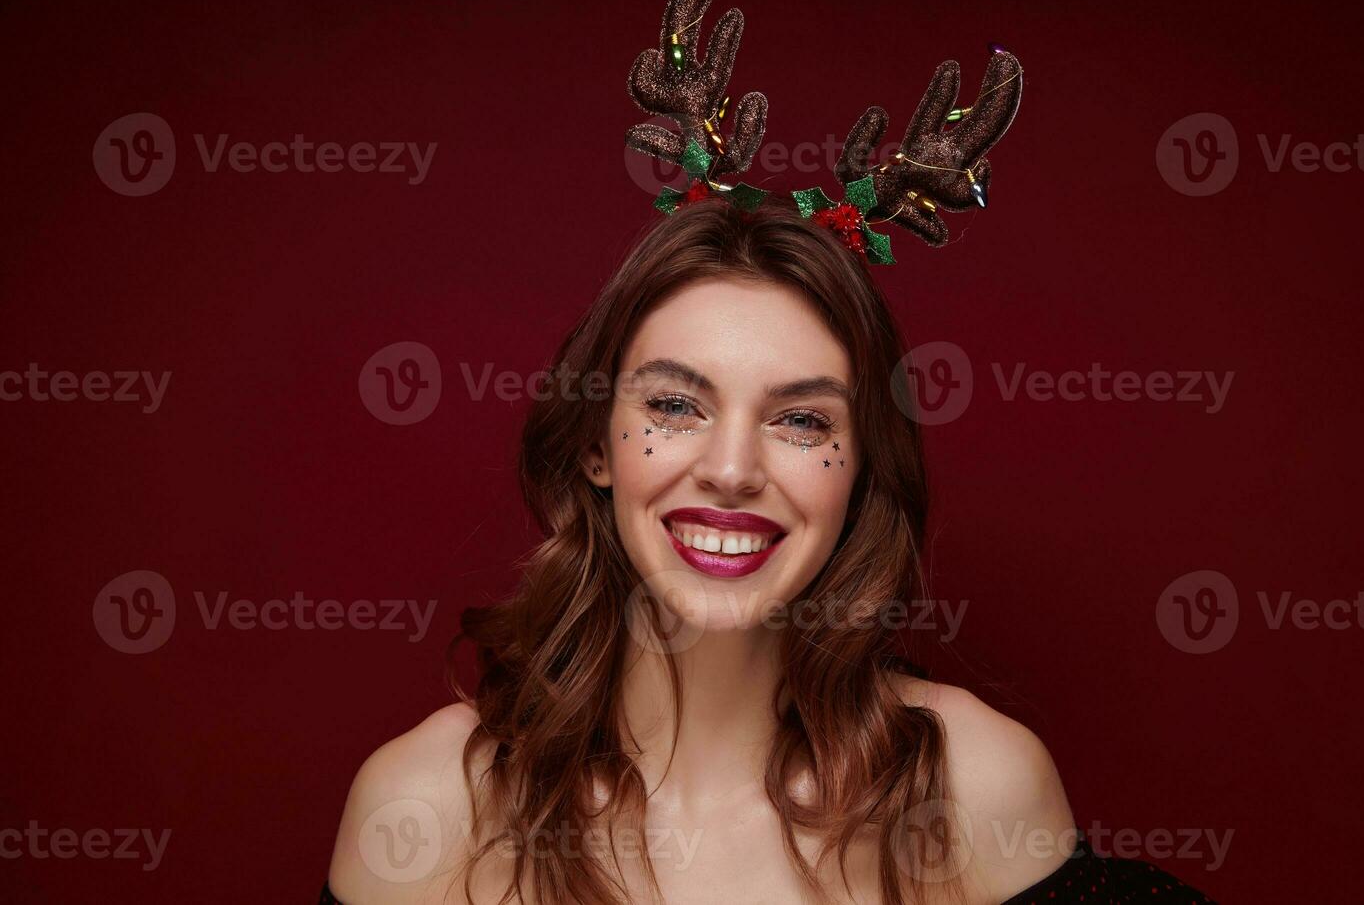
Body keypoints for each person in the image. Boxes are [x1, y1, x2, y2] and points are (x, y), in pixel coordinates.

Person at [322, 197, 1217, 904]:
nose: (732, 470)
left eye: (800, 420)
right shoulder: (429, 805)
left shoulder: (970, 790)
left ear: (860, 474)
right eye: (675, 406)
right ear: (595, 444)